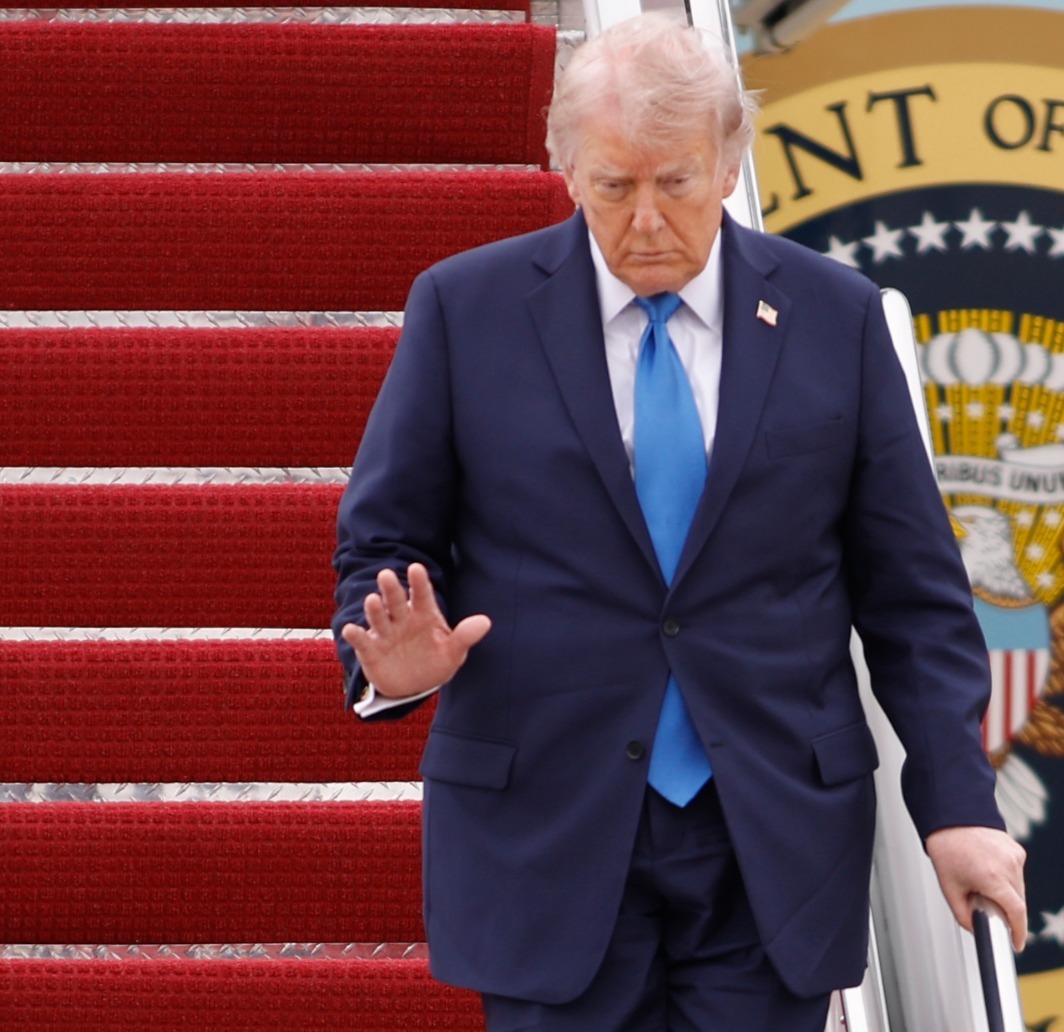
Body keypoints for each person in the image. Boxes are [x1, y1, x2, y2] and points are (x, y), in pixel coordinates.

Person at [332, 13, 1026, 1031]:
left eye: (678, 182)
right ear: (565, 169)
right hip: (547, 833)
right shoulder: (464, 310)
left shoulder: (838, 319)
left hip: (771, 839)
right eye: (615, 186)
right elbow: (384, 543)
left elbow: (915, 599)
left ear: (730, 163)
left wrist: (958, 806)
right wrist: (394, 667)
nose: (647, 219)